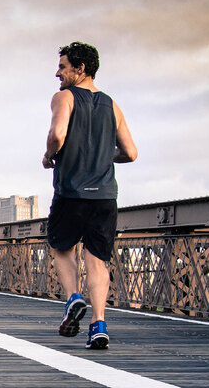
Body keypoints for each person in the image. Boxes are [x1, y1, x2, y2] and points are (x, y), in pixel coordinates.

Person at [42, 42, 137, 350]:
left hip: (71, 191)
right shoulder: (112, 105)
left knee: (61, 248)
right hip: (106, 195)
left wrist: (49, 155)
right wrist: (103, 157)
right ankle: (98, 325)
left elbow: (57, 135)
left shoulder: (64, 97)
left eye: (62, 67)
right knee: (97, 261)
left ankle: (73, 298)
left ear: (79, 69)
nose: (57, 72)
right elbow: (131, 153)